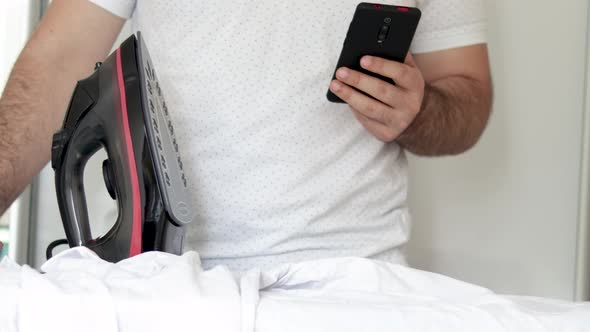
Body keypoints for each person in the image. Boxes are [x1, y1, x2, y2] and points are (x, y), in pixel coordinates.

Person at [0, 0, 492, 272]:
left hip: (354, 279)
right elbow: (56, 65)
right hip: (163, 275)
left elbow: (467, 96)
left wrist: (419, 110)